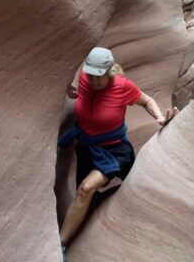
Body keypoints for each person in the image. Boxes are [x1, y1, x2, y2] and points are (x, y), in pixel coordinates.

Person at [58, 47, 179, 249]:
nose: (94, 80)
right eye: (91, 74)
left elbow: (146, 100)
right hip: (87, 149)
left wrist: (158, 117)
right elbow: (88, 102)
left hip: (115, 150)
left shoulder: (122, 87)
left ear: (109, 71)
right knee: (90, 196)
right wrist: (76, 92)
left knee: (85, 189)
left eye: (99, 76)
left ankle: (61, 244)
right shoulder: (85, 80)